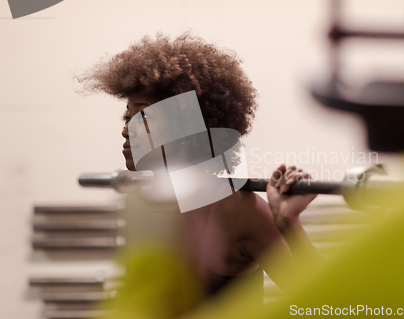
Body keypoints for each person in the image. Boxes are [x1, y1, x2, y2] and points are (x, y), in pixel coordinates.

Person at [79, 33, 320, 305]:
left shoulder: (236, 208)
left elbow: (329, 303)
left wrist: (289, 222)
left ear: (187, 129)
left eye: (143, 118)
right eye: (128, 117)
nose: (126, 130)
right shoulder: (145, 205)